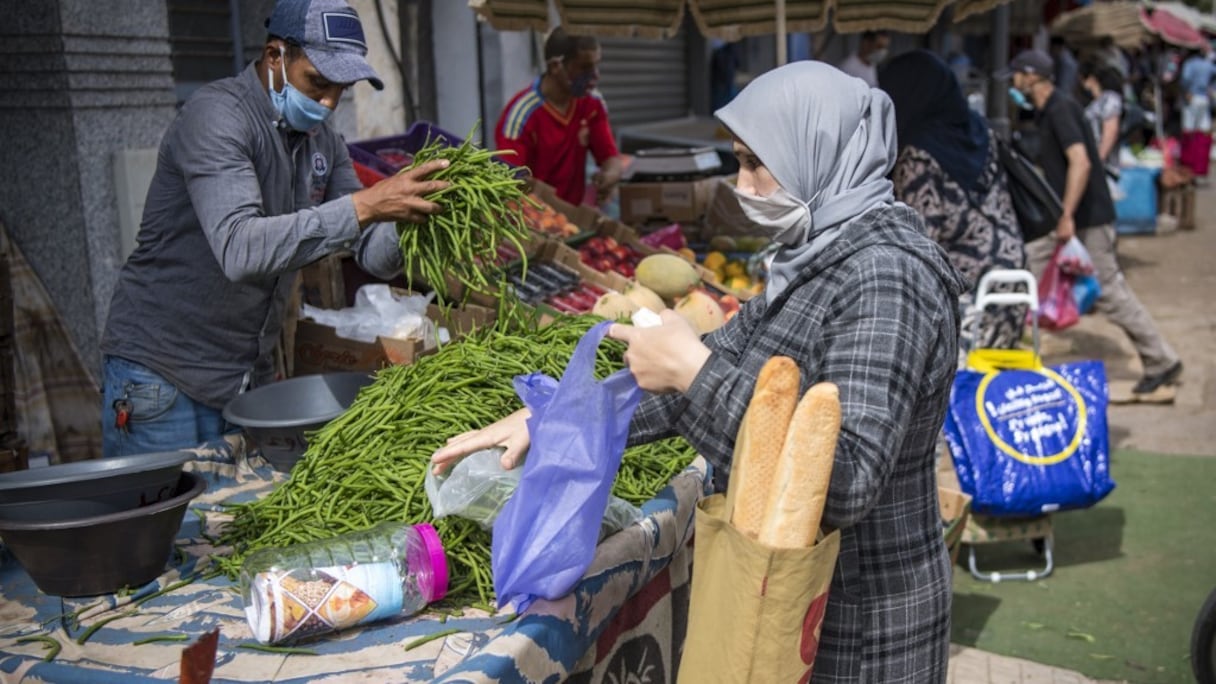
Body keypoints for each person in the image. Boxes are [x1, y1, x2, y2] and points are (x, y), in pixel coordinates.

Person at [436, 61, 966, 682]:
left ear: (815, 153)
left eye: (754, 162)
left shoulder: (885, 276)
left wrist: (695, 372)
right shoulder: (818, 255)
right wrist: (555, 420)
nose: (742, 184)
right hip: (798, 611)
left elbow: (847, 479)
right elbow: (712, 364)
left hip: (862, 631)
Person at [99, 0, 451, 458]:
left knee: (234, 520)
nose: (328, 103)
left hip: (244, 374)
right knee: (170, 522)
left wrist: (410, 216)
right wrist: (367, 203)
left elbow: (371, 255)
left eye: (340, 89)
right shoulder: (217, 118)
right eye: (317, 82)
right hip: (163, 374)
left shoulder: (323, 141)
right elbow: (241, 250)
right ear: (274, 57)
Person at [1004, 49, 1183, 396]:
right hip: (1069, 219)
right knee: (1023, 275)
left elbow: (1081, 162)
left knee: (1111, 292)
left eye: (1015, 75)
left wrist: (1067, 214)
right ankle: (1006, 355)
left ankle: (1161, 360)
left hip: (1086, 219)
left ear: (1030, 76)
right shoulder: (1049, 111)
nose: (1012, 83)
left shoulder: (1060, 109)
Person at [879, 50, 1027, 361]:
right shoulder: (979, 130)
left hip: (966, 298)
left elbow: (919, 245)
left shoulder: (918, 154)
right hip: (1010, 277)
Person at [494, 27, 623, 206]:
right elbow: (509, 183)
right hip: (535, 219)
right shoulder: (520, 116)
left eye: (596, 65)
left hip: (573, 214)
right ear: (556, 66)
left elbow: (610, 157)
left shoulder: (592, 102)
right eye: (585, 67)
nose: (595, 75)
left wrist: (610, 176)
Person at [1078, 61, 1125, 166]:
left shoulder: (1109, 99)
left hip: (1104, 164)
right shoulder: (1096, 102)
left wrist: (1099, 159)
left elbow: (1110, 131)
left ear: (1091, 79)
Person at [1178, 48, 1215, 179]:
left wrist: (1187, 90)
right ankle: (1199, 166)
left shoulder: (1190, 64)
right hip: (1204, 98)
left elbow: (1185, 79)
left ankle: (1188, 164)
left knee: (1189, 130)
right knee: (1202, 131)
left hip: (1191, 97)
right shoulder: (1208, 65)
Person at [1050, 35, 1079, 101]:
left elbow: (1064, 85)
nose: (1051, 51)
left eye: (1051, 48)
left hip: (1064, 98)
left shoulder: (1065, 62)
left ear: (1056, 47)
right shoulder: (1063, 59)